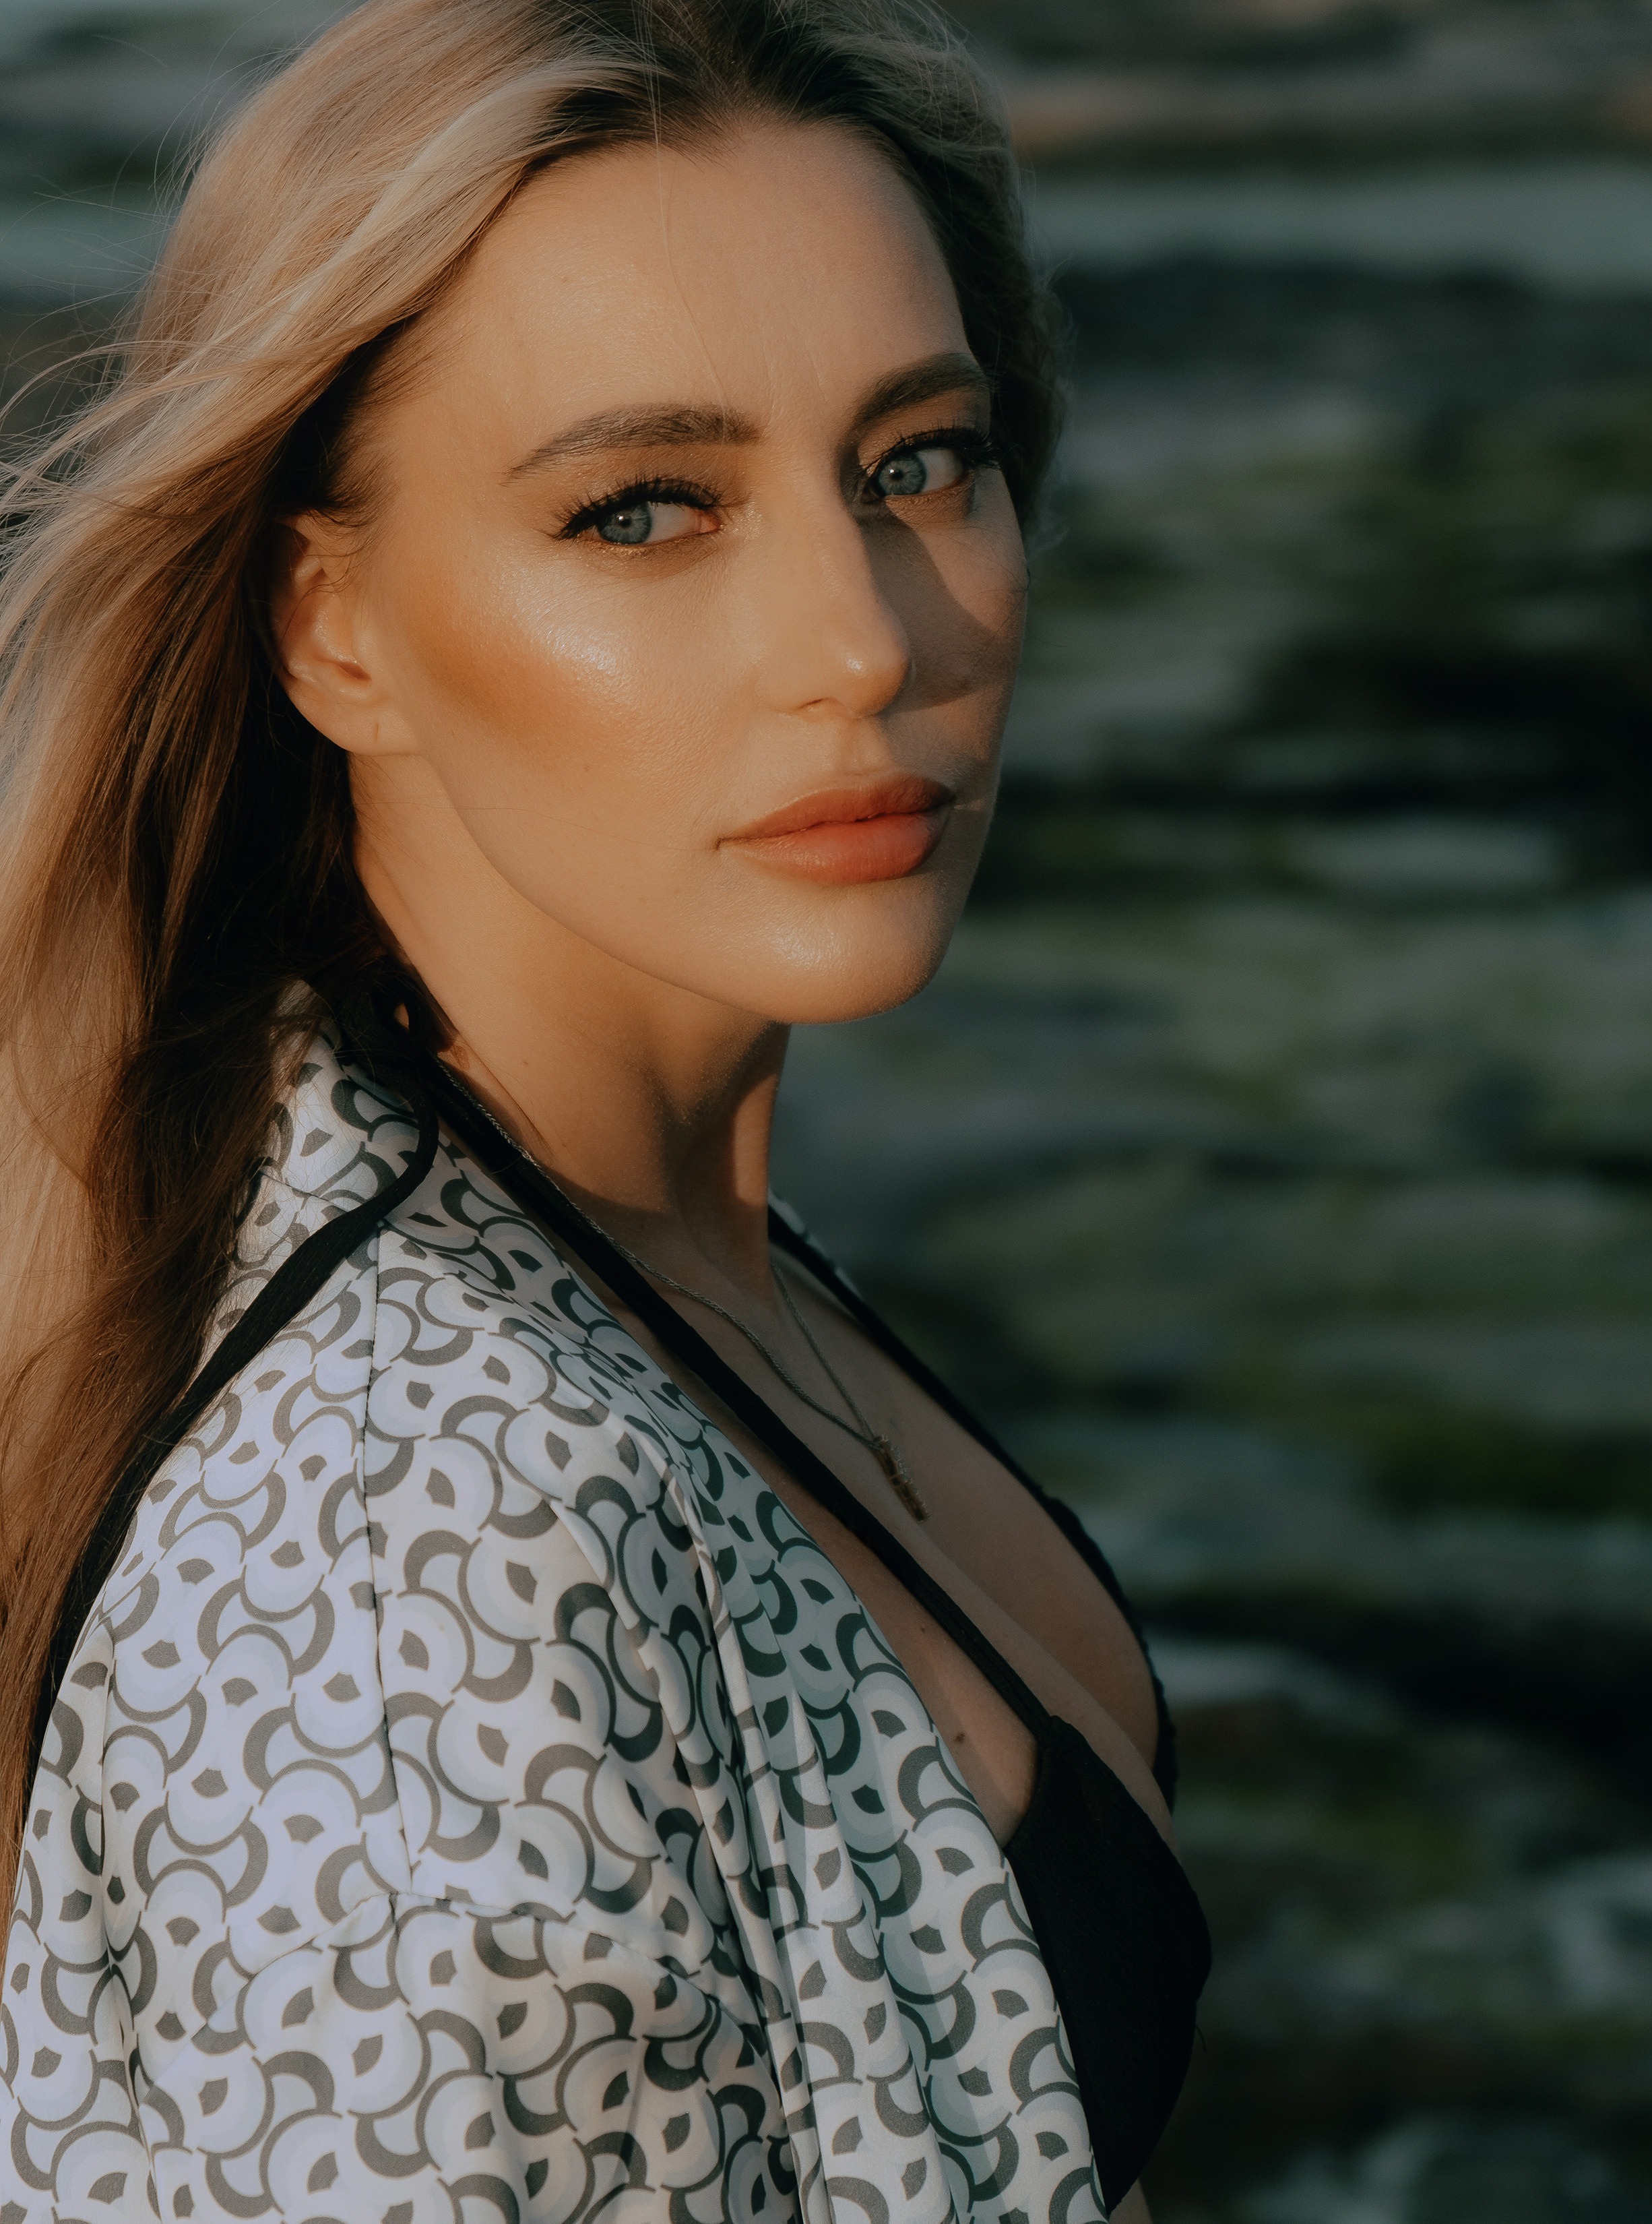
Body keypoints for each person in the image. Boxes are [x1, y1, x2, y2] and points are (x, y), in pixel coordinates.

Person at [0, 1, 1209, 2215]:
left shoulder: (647, 1248)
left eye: (919, 460)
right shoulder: (413, 1555)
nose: (863, 640)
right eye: (645, 508)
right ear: (330, 621)